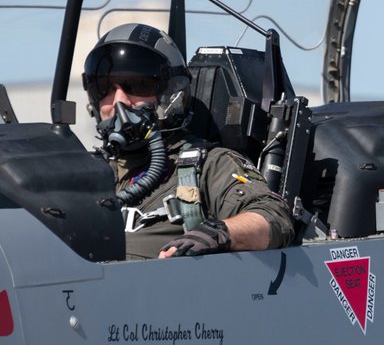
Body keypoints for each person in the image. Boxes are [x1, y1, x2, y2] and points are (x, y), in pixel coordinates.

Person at [81, 23, 295, 260]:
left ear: (171, 94)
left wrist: (218, 234)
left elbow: (273, 217)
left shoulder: (207, 165)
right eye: (105, 88)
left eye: (137, 85)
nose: (119, 102)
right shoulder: (88, 175)